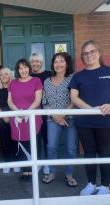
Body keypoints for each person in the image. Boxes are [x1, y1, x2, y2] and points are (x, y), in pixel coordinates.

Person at [69, 40, 110, 195]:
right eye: (85, 53)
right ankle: (91, 184)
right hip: (84, 121)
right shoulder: (78, 76)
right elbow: (74, 97)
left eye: (92, 52)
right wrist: (90, 109)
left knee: (105, 151)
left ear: (99, 53)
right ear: (82, 57)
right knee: (89, 152)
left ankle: (105, 186)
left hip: (107, 120)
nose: (89, 56)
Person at [41, 52, 78, 187]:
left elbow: (75, 99)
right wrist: (55, 117)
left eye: (61, 61)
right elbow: (44, 102)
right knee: (51, 146)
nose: (58, 64)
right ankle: (52, 172)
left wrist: (63, 115)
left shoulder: (73, 78)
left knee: (71, 148)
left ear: (67, 63)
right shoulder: (47, 81)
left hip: (71, 118)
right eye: (56, 61)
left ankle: (69, 174)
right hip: (52, 119)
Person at [8, 58, 43, 180]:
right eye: (20, 68)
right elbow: (10, 101)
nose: (23, 70)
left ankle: (34, 169)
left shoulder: (36, 81)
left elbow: (38, 100)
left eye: (25, 67)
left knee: (32, 143)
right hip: (18, 118)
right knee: (21, 143)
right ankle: (26, 170)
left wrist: (27, 112)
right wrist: (18, 112)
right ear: (17, 70)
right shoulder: (13, 83)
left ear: (29, 68)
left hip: (32, 117)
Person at [29, 53, 52, 174]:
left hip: (46, 112)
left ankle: (47, 164)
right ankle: (36, 162)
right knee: (35, 139)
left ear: (41, 62)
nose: (35, 64)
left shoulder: (49, 74)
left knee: (47, 139)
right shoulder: (28, 75)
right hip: (33, 113)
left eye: (37, 61)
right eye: (33, 61)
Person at [0, 67, 17, 173]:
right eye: (1, 75)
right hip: (3, 118)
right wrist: (4, 117)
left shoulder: (16, 87)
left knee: (16, 141)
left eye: (6, 74)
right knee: (5, 141)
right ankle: (7, 163)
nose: (4, 77)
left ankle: (16, 163)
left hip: (16, 117)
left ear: (10, 75)